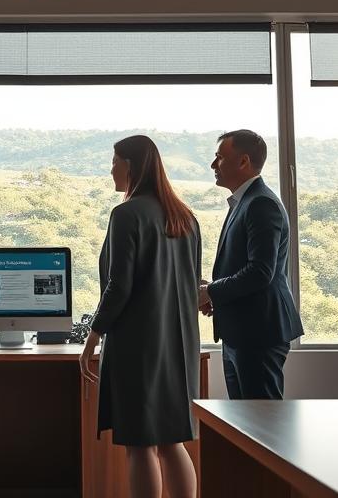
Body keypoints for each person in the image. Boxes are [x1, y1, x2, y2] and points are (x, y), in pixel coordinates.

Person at [78, 135, 201, 498]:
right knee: (172, 440)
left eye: (114, 161)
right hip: (180, 344)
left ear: (130, 166)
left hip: (139, 344)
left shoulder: (126, 214)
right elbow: (192, 284)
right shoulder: (186, 217)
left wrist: (93, 336)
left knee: (141, 443)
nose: (111, 169)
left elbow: (119, 286)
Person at [199, 129, 303, 400]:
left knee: (261, 425)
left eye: (219, 157)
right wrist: (215, 291)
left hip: (258, 333)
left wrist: (211, 292)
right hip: (242, 331)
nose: (213, 165)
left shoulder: (261, 203)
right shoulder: (246, 201)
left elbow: (260, 272)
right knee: (243, 425)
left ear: (243, 161)